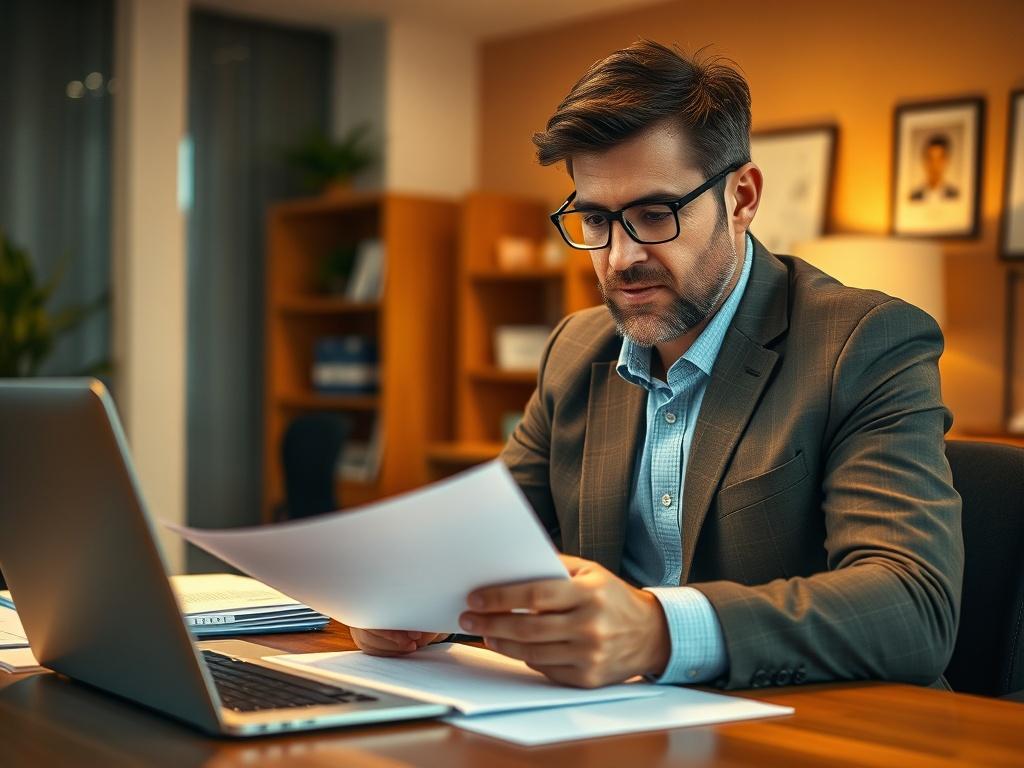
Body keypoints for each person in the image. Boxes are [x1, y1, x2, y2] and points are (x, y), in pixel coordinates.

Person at [352, 40, 963, 692]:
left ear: (742, 196)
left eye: (654, 214)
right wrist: (410, 600)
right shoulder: (573, 352)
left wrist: (658, 630)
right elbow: (488, 546)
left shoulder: (865, 343)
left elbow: (914, 605)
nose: (619, 258)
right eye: (596, 219)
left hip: (810, 733)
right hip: (609, 728)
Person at [908, 134, 960, 202]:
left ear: (946, 161)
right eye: (930, 159)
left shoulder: (954, 195)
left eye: (939, 160)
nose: (934, 165)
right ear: (924, 161)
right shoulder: (914, 196)